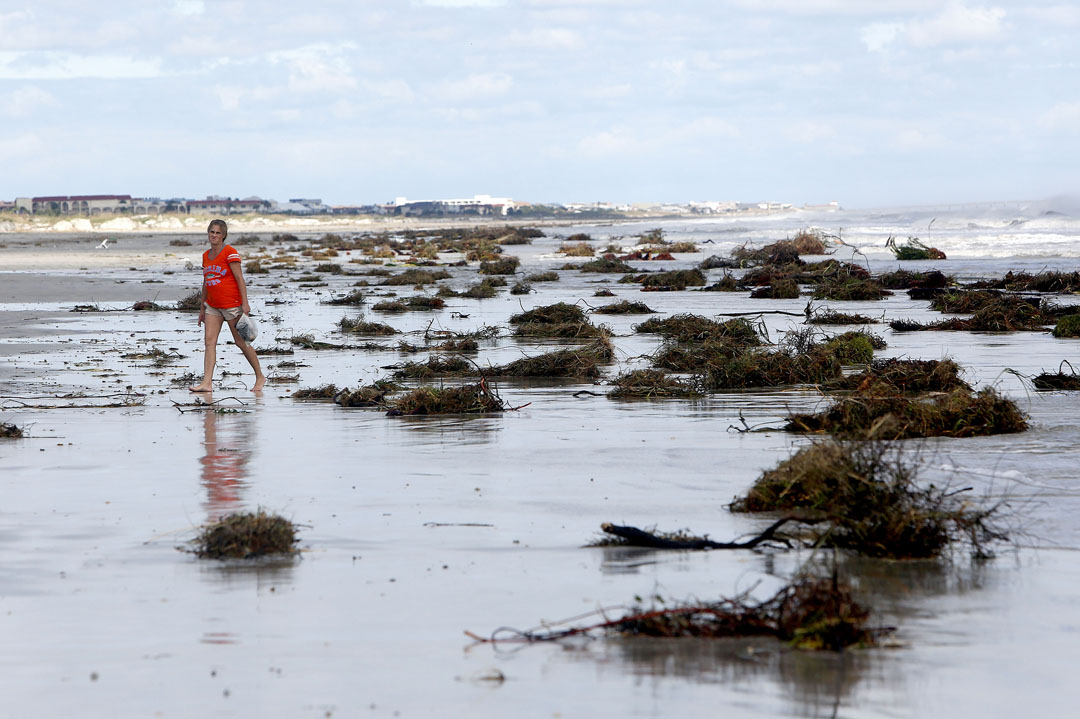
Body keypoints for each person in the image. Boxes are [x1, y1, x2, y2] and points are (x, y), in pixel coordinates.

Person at [189, 219, 266, 392]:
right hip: (213, 306)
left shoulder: (230, 252)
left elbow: (239, 278)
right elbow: (206, 282)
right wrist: (202, 308)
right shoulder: (206, 256)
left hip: (231, 305)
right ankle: (207, 383)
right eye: (211, 232)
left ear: (223, 235)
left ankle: (260, 376)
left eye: (217, 233)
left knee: (241, 342)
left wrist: (245, 303)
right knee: (209, 342)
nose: (214, 235)